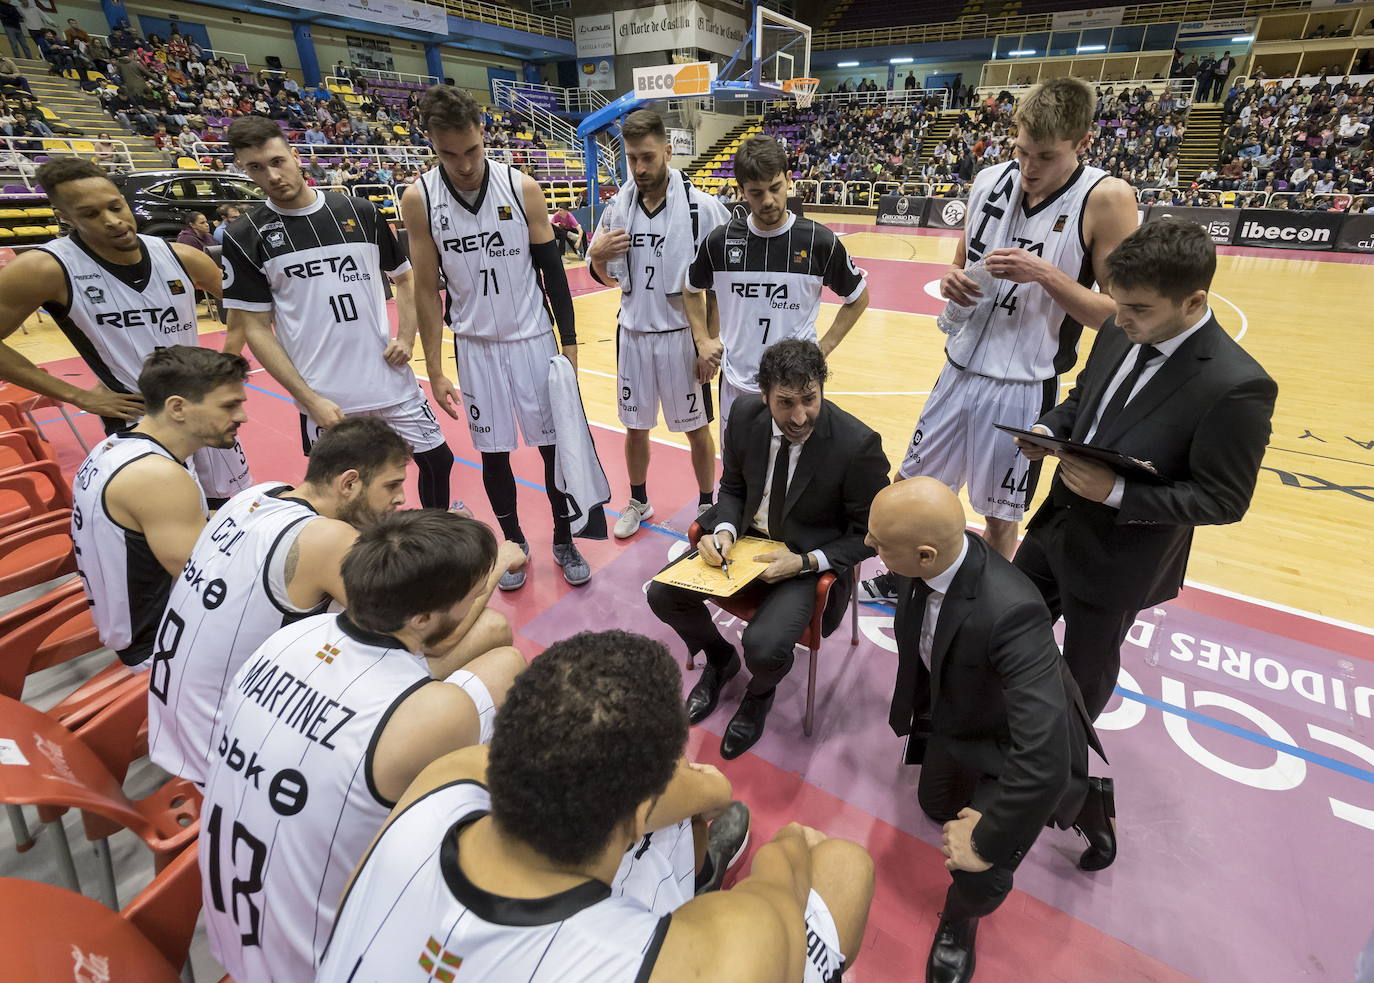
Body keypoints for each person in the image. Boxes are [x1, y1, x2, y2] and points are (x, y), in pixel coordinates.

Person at [318, 630, 875, 983]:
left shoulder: (442, 783)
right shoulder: (709, 959)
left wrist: (687, 793)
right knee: (844, 862)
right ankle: (702, 872)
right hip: (654, 932)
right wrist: (792, 843)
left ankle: (699, 867)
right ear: (636, 814)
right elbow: (779, 886)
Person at [1012, 218, 1277, 857]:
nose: (1120, 317)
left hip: (1122, 558)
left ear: (1193, 302)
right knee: (1005, 626)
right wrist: (1051, 428)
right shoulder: (1114, 327)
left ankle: (1074, 798)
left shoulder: (1237, 384)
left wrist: (1119, 493)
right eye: (1117, 301)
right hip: (1055, 525)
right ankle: (1012, 747)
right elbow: (1087, 406)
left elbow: (1223, 499)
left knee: (1079, 684)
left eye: (1138, 308)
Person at [198, 509, 528, 983]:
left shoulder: (292, 634)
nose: (477, 598)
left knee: (494, 641)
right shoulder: (431, 716)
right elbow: (492, 663)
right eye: (470, 594)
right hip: (319, 962)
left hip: (231, 924)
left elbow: (443, 642)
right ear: (419, 617)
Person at [869, 75, 1138, 600]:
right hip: (959, 367)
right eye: (1020, 150)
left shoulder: (1106, 198)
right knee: (914, 488)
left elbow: (1120, 316)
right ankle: (909, 585)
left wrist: (1047, 275)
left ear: (1082, 144)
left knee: (999, 512)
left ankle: (983, 602)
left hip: (1023, 384)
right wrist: (951, 279)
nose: (1029, 167)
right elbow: (960, 262)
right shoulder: (991, 178)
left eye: (1045, 156)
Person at [869, 478, 1106, 983]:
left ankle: (960, 920)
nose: (870, 546)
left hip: (1014, 743)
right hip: (960, 719)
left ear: (926, 554)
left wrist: (987, 842)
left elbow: (1041, 754)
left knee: (976, 864)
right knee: (936, 808)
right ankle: (1077, 797)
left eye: (880, 543)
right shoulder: (924, 564)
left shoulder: (1013, 611)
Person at [145, 417, 438, 783]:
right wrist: (487, 564)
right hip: (225, 758)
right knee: (448, 656)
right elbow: (419, 633)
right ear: (349, 482)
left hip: (171, 722)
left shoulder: (257, 496)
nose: (402, 498)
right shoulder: (329, 539)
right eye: (392, 485)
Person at [647, 340, 890, 759]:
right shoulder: (744, 415)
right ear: (764, 396)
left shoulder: (857, 445)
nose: (799, 416)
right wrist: (724, 530)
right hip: (743, 546)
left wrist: (805, 561)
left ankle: (759, 694)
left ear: (822, 389)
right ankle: (721, 659)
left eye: (810, 399)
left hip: (803, 561)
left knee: (763, 647)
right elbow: (734, 487)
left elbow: (869, 534)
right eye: (786, 403)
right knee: (662, 595)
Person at [401, 85, 592, 587]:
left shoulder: (522, 187)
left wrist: (568, 343)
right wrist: (436, 368)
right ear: (430, 142)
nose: (463, 164)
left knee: (554, 449)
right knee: (493, 453)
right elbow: (425, 289)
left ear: (483, 135)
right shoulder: (419, 197)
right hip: (476, 346)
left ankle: (563, 539)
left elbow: (552, 271)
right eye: (449, 153)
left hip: (533, 339)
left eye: (471, 151)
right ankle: (514, 543)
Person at [220, 114, 456, 510]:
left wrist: (405, 336)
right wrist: (307, 399)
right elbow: (255, 328)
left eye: (277, 161)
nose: (272, 175)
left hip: (389, 380)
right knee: (343, 491)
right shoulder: (245, 236)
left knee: (438, 460)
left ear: (295, 156)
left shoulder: (360, 211)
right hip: (325, 395)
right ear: (245, 172)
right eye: (256, 168)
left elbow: (404, 278)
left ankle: (432, 542)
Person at [0, 156, 252, 507]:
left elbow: (250, 308)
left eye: (115, 207)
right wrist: (77, 396)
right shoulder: (45, 268)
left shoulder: (182, 256)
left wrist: (231, 353)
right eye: (90, 214)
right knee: (172, 525)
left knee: (231, 513)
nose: (113, 221)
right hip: (138, 420)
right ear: (64, 216)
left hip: (208, 409)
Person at [585, 109, 731, 540]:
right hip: (632, 333)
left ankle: (707, 503)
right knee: (635, 426)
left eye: (648, 157)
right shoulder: (617, 207)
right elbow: (605, 276)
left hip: (681, 338)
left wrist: (711, 340)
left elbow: (720, 283)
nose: (640, 168)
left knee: (697, 429)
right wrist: (595, 256)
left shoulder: (703, 209)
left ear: (668, 151)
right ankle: (638, 500)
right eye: (632, 159)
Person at [71, 346, 249, 669]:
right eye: (229, 406)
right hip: (158, 651)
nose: (241, 417)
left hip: (123, 626)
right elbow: (211, 590)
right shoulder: (159, 478)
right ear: (177, 408)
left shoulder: (112, 447)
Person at [684, 135, 870, 437]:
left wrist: (824, 348)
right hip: (737, 383)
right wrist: (703, 339)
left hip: (796, 389)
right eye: (756, 193)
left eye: (775, 188)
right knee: (737, 473)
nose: (768, 200)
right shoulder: (719, 242)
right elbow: (691, 290)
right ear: (741, 190)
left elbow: (858, 298)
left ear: (788, 179)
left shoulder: (818, 241)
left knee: (795, 475)